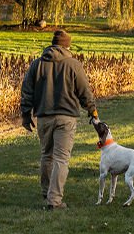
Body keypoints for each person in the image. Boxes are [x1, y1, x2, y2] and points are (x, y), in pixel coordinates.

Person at [20, 29, 97, 210]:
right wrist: (92, 110)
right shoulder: (73, 64)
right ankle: (54, 201)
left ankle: (47, 192)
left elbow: (27, 91)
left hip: (44, 117)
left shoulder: (37, 64)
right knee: (61, 159)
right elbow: (84, 91)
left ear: (53, 44)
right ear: (67, 45)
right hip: (66, 118)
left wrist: (26, 114)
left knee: (46, 155)